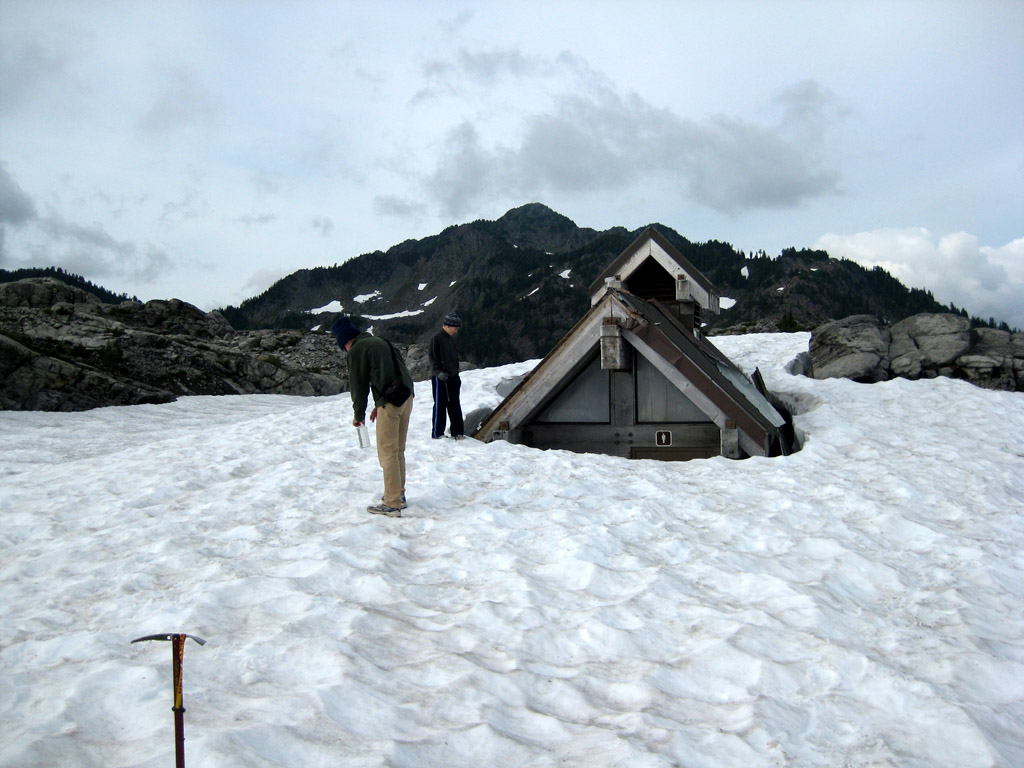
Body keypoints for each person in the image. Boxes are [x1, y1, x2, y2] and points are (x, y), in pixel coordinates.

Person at [332, 316, 414, 518]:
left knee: (387, 452)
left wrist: (358, 415)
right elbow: (394, 371)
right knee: (398, 451)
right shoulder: (380, 341)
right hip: (406, 396)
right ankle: (399, 496)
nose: (346, 351)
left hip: (391, 402)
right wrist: (380, 403)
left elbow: (358, 387)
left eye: (344, 347)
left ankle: (392, 503)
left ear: (346, 341)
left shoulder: (357, 350)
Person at [429, 312, 465, 440]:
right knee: (440, 404)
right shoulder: (436, 338)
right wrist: (438, 372)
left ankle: (457, 431)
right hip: (440, 378)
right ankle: (437, 433)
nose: (456, 331)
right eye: (455, 328)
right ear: (448, 326)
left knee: (454, 404)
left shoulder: (450, 339)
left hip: (453, 377)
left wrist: (456, 375)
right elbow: (433, 358)